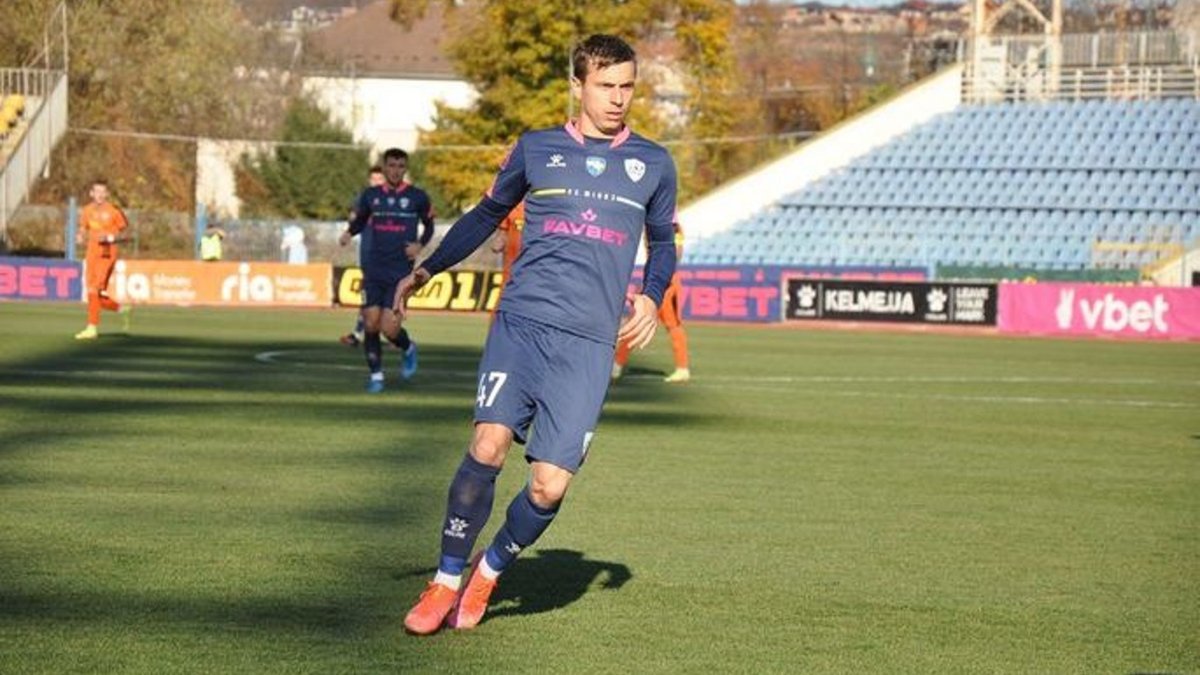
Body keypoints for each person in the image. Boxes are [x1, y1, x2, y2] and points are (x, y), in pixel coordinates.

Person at [392, 34, 677, 635]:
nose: (618, 98)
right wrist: (427, 269)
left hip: (589, 343)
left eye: (627, 86)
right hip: (521, 324)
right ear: (577, 86)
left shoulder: (653, 163)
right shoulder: (536, 149)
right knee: (488, 445)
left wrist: (652, 295)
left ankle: (489, 570)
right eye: (606, 85)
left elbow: (664, 243)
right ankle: (444, 581)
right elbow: (485, 215)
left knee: (548, 487)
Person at [341, 149, 434, 392]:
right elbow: (360, 220)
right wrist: (349, 233)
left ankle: (408, 347)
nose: (395, 170)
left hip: (400, 272)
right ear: (384, 168)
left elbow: (430, 225)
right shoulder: (371, 195)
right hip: (374, 268)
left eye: (400, 166)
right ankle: (376, 376)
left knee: (389, 329)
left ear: (405, 169)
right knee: (370, 323)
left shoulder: (417, 196)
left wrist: (420, 245)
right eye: (391, 165)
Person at [611, 220, 690, 383]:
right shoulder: (652, 224)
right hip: (652, 280)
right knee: (636, 321)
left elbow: (677, 252)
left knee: (672, 325)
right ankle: (617, 364)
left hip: (667, 281)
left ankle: (682, 368)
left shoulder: (673, 228)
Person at [74, 179, 129, 340]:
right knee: (94, 293)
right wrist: (80, 236)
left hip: (107, 253)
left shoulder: (114, 211)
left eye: (103, 192)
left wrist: (111, 237)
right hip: (91, 253)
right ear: (91, 193)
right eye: (97, 191)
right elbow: (83, 227)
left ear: (107, 194)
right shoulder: (87, 210)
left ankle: (92, 328)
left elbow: (126, 232)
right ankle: (120, 308)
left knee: (94, 289)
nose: (100, 195)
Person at [340, 166, 387, 347]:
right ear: (369, 180)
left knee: (387, 293)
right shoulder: (364, 198)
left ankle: (386, 333)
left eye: (379, 179)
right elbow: (353, 218)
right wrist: (350, 228)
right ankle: (360, 333)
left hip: (389, 253)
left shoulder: (393, 199)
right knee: (370, 294)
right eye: (373, 179)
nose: (376, 182)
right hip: (368, 253)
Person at [487, 200, 525, 314]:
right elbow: (500, 239)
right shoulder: (513, 206)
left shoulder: (544, 206)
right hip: (511, 271)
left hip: (535, 269)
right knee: (503, 304)